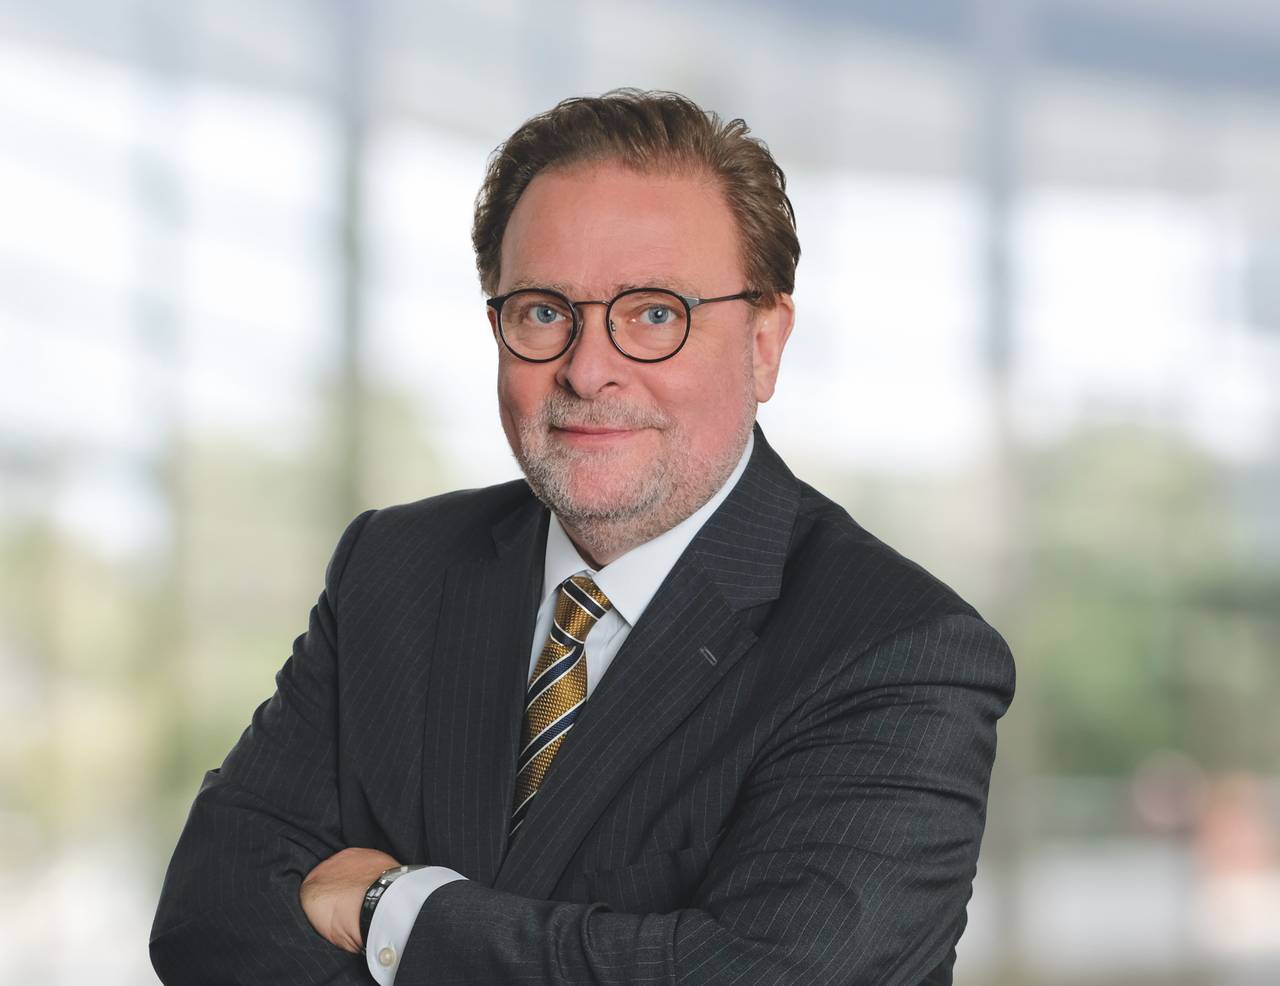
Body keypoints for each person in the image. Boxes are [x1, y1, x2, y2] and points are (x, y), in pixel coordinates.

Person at [151, 88, 1015, 986]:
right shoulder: (392, 570)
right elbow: (206, 918)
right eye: (542, 311)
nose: (589, 369)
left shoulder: (899, 652)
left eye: (654, 313)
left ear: (765, 343)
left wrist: (393, 909)